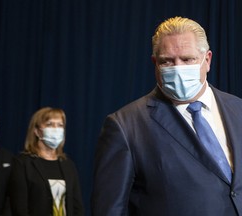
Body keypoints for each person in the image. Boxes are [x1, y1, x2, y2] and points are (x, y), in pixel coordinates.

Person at [91, 16, 242, 215]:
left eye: (187, 59)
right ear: (155, 64)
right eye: (167, 61)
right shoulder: (125, 126)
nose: (178, 68)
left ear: (207, 60)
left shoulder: (238, 108)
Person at [9, 107, 84, 216]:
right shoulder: (22, 164)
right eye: (50, 124)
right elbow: (20, 209)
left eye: (60, 125)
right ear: (37, 131)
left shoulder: (68, 164)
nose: (56, 129)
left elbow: (77, 206)